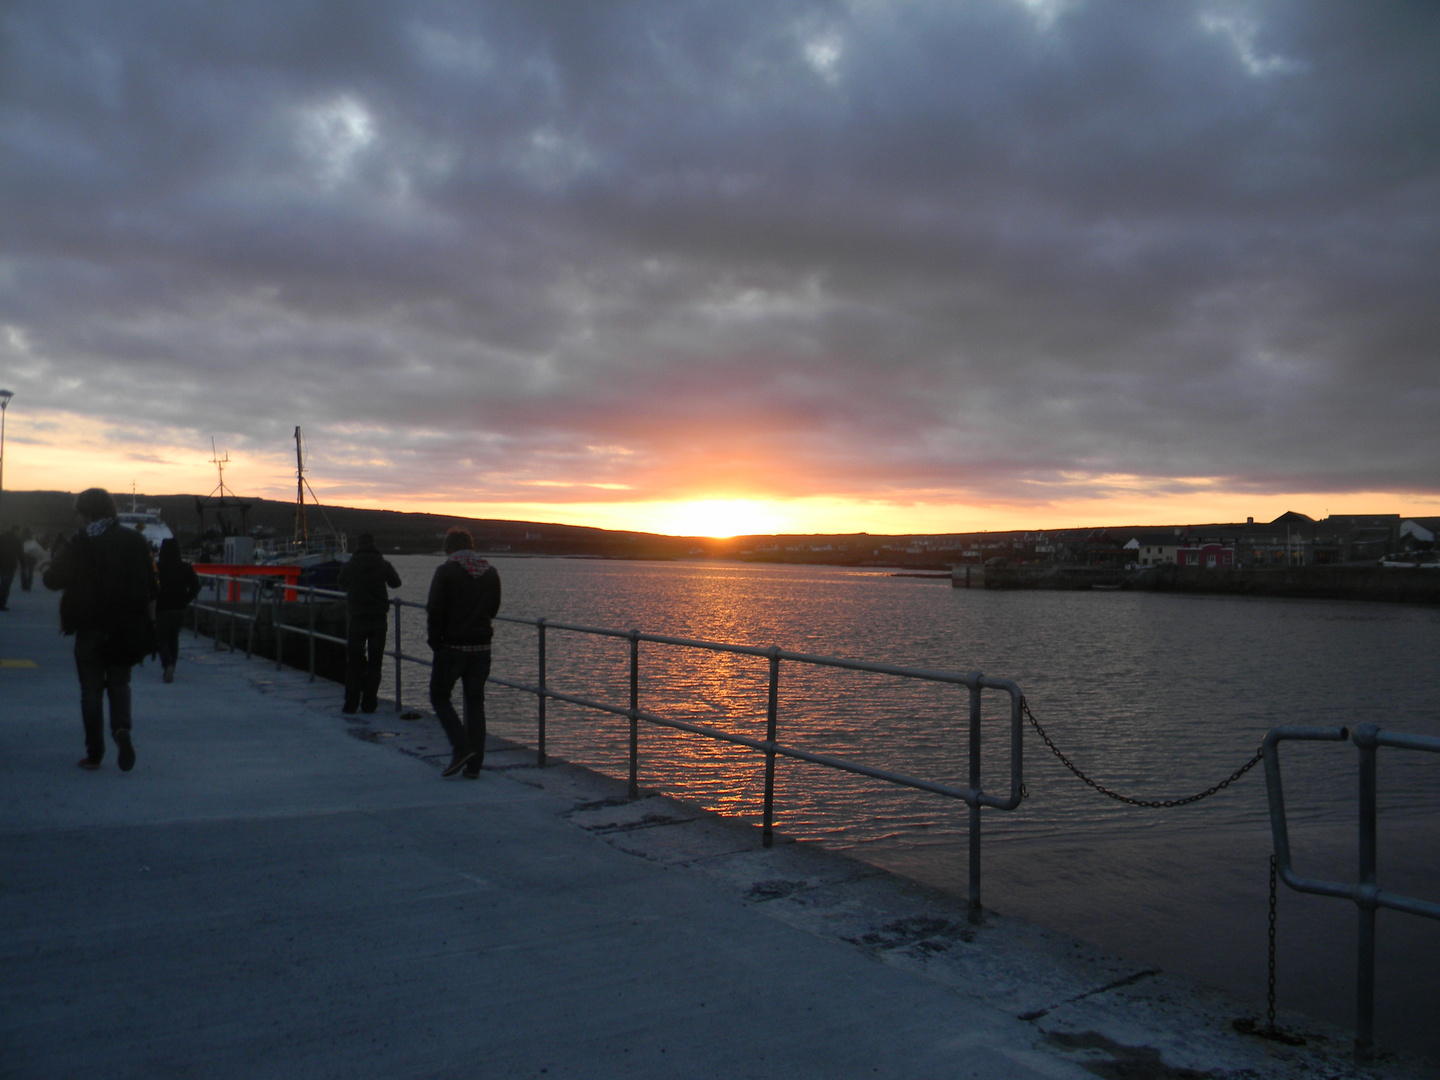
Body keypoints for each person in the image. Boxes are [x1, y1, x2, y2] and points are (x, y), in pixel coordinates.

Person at [43, 488, 159, 771]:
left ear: (86, 513)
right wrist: (149, 627)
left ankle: (94, 753)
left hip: (89, 628)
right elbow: (151, 588)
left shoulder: (80, 543)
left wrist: (50, 567)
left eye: (78, 513)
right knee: (120, 684)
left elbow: (53, 580)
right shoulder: (135, 540)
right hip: (125, 628)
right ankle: (122, 730)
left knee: (91, 692)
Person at [426, 528, 501, 779]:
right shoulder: (490, 573)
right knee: (475, 702)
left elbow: (435, 609)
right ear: (472, 545)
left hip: (452, 647)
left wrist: (435, 642)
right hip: (482, 648)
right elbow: (493, 609)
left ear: (449, 547)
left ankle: (461, 749)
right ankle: (474, 766)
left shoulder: (445, 572)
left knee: (439, 696)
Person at [336, 532, 401, 714]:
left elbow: (341, 583)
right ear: (373, 544)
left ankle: (350, 704)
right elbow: (396, 583)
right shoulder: (383, 564)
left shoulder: (350, 565)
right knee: (375, 662)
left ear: (358, 545)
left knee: (354, 661)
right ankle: (369, 703)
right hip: (378, 619)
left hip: (357, 618)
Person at [154, 538, 201, 683]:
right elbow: (196, 587)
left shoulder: (158, 567)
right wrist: (186, 600)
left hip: (161, 608)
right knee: (173, 638)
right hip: (179, 609)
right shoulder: (185, 567)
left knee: (161, 638)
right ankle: (172, 665)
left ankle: (167, 664)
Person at [0, 526, 20, 610]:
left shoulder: (2, 539)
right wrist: (23, 563)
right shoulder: (16, 540)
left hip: (2, 564)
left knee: (3, 585)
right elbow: (20, 553)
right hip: (10, 565)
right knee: (6, 586)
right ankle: (2, 604)